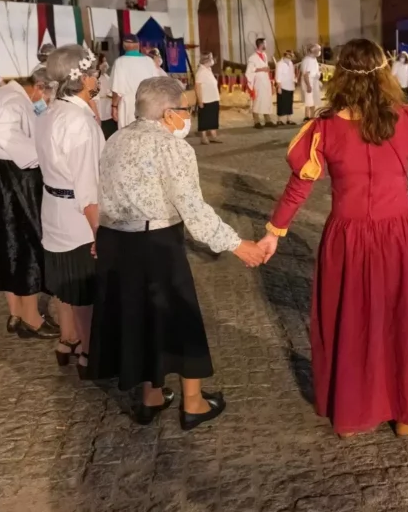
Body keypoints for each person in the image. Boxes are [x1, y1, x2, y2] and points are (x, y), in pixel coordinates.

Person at [256, 38, 408, 437]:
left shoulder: (323, 127)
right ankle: (404, 411)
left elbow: (299, 187)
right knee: (401, 322)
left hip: (346, 239)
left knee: (351, 324)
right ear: (384, 72)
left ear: (340, 75)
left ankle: (352, 413)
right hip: (398, 237)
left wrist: (273, 233)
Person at [90, 76, 266, 426]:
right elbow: (193, 208)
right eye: (186, 109)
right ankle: (193, 402)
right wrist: (236, 244)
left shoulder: (115, 139)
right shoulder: (172, 147)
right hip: (154, 243)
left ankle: (151, 396)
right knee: (181, 318)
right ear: (169, 114)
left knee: (136, 318)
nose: (189, 115)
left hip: (115, 240)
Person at [0, 66, 57, 338]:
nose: (46, 103)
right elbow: (10, 138)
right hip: (13, 176)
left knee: (4, 241)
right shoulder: (13, 101)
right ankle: (31, 317)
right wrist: (45, 155)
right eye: (47, 96)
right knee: (26, 240)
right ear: (39, 87)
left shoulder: (1, 94)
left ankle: (16, 312)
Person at [34, 45, 106, 376]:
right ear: (83, 79)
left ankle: (67, 341)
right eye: (93, 72)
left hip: (53, 208)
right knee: (85, 289)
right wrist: (99, 232)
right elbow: (87, 186)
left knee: (66, 286)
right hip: (78, 218)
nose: (98, 76)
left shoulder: (51, 111)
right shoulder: (79, 122)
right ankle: (91, 354)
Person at [110, 34, 159, 129]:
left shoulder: (120, 62)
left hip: (128, 106)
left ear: (124, 46)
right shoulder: (149, 61)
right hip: (147, 104)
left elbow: (117, 90)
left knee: (128, 135)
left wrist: (114, 107)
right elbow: (156, 85)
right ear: (138, 45)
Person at [245, 38, 275, 128]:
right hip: (258, 81)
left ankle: (267, 119)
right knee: (257, 100)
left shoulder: (264, 55)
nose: (266, 45)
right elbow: (249, 70)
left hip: (265, 79)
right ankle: (256, 121)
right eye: (265, 43)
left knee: (266, 99)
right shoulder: (252, 57)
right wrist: (262, 69)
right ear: (261, 45)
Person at [194, 53, 222, 144]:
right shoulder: (200, 71)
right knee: (204, 118)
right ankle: (203, 137)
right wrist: (200, 101)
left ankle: (213, 135)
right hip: (205, 99)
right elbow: (197, 87)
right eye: (211, 58)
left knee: (213, 118)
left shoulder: (208, 69)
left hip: (213, 98)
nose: (213, 60)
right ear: (206, 60)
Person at [95, 55, 118, 140]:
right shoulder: (96, 77)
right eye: (103, 61)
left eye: (106, 61)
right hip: (100, 106)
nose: (105, 64)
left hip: (108, 107)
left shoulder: (107, 76)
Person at [300, 43, 323, 120]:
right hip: (309, 82)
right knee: (309, 101)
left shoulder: (314, 59)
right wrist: (308, 85)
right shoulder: (307, 60)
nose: (319, 52)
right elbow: (306, 74)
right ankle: (309, 116)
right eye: (318, 50)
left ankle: (311, 116)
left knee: (312, 100)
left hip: (314, 81)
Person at [275, 50, 297, 126]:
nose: (290, 58)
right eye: (290, 56)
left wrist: (294, 80)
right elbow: (278, 76)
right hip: (283, 86)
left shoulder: (290, 63)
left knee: (289, 103)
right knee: (281, 102)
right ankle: (279, 120)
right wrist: (279, 87)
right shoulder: (280, 64)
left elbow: (292, 74)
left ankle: (289, 119)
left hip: (290, 86)